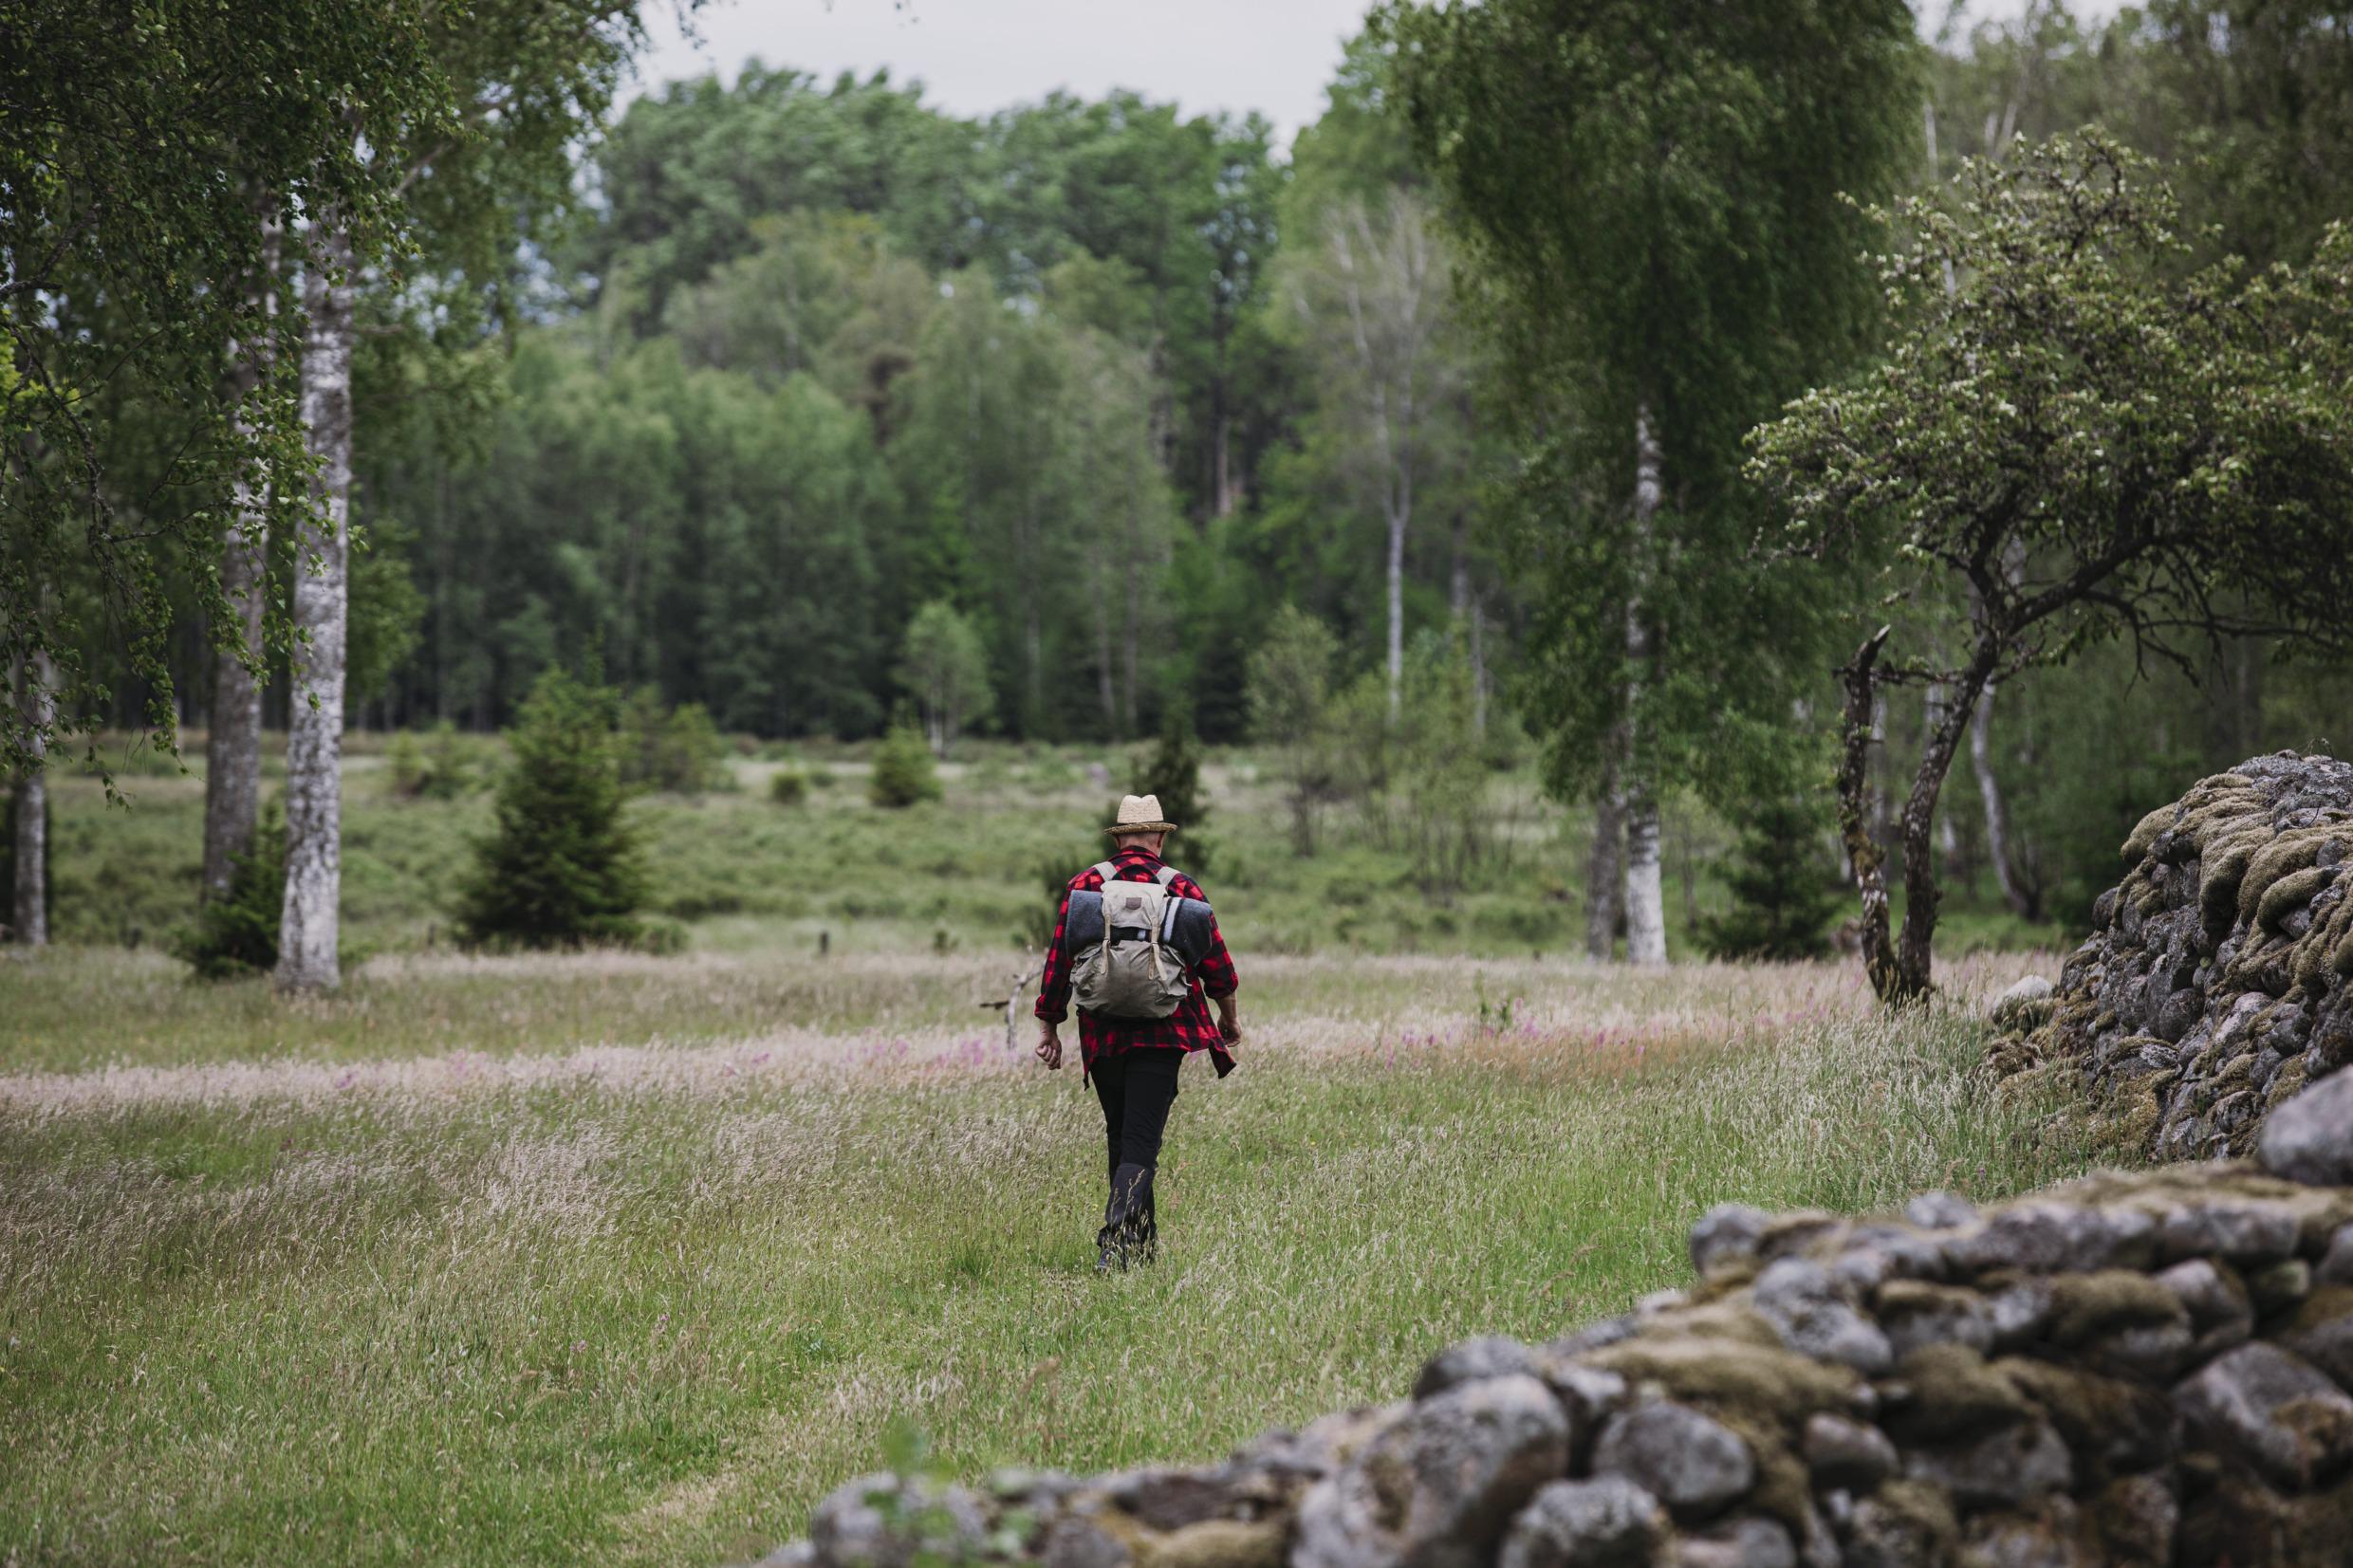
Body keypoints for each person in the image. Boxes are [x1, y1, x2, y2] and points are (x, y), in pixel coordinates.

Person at [1035, 793, 1240, 1269]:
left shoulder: (1086, 884)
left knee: (1122, 1138)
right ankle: (1116, 1244)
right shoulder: (1181, 888)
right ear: (1158, 839)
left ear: (1121, 837)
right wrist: (1229, 1019)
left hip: (1102, 1033)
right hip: (1164, 1033)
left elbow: (1059, 962)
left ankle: (1138, 1250)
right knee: (1142, 1142)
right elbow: (1219, 967)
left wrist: (1049, 1026)